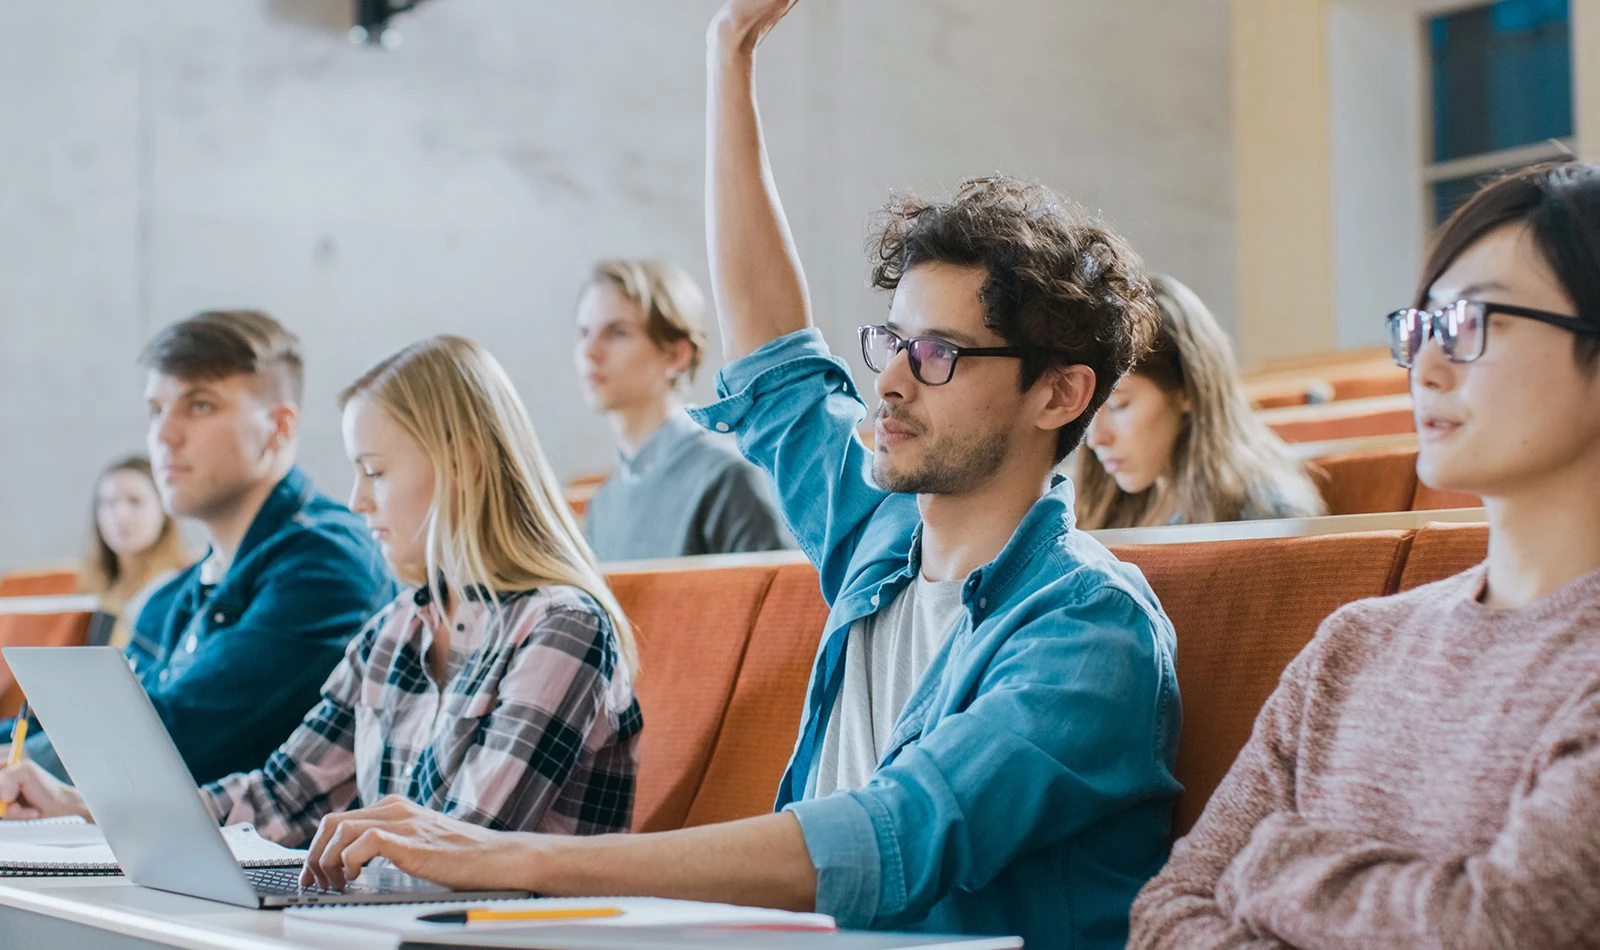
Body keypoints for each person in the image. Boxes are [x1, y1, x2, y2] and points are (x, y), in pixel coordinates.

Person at [294, 3, 1180, 949]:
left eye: (935, 353)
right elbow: (778, 362)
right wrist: (728, 57)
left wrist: (514, 860)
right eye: (889, 339)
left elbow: (891, 836)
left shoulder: (1093, 632)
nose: (885, 377)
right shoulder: (884, 540)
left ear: (1058, 394)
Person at [1130, 162, 1600, 947]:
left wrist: (1272, 864)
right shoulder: (1354, 643)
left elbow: (1499, 929)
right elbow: (1167, 912)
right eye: (1420, 330)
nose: (1427, 367)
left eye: (1469, 325)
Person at [2, 336, 642, 843]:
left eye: (376, 472)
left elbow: (465, 847)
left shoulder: (562, 627)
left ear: (464, 461)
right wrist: (81, 807)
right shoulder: (396, 628)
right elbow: (278, 800)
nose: (358, 500)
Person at [2, 310, 396, 785]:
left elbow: (163, 744)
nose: (164, 436)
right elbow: (70, 727)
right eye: (156, 410)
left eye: (201, 405)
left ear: (280, 427)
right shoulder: (169, 600)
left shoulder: (330, 565)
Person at [575, 258, 792, 559]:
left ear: (677, 355)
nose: (590, 351)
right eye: (584, 332)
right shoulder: (602, 506)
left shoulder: (729, 477)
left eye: (617, 333)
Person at [1077, 275, 1324, 528]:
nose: (1096, 439)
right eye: (1087, 411)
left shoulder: (1266, 514)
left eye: (1119, 404)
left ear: (1188, 391)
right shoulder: (1108, 503)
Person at [77, 455, 193, 649]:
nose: (120, 514)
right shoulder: (90, 589)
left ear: (164, 510)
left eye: (135, 501)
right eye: (109, 503)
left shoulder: (179, 589)